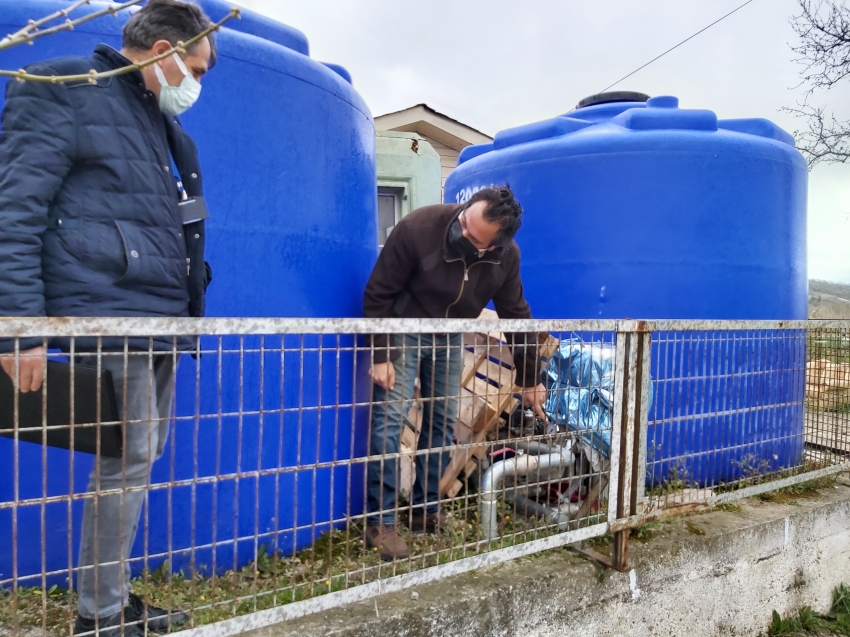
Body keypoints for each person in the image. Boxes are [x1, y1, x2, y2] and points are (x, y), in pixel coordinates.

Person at [0, 1, 215, 634]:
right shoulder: (65, 89)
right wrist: (20, 328)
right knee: (127, 460)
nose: (198, 83)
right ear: (163, 49)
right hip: (108, 308)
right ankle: (101, 615)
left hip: (162, 316)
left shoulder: (157, 121)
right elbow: (13, 213)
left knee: (139, 459)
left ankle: (111, 597)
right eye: (196, 66)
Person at [362, 186, 547, 560]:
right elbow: (378, 292)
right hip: (404, 331)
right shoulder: (419, 227)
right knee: (390, 421)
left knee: (442, 422)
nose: (461, 231)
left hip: (449, 335)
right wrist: (381, 353)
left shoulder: (505, 259)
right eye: (464, 219)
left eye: (473, 235)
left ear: (493, 246)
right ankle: (379, 525)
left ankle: (425, 510)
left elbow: (516, 315)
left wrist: (530, 379)